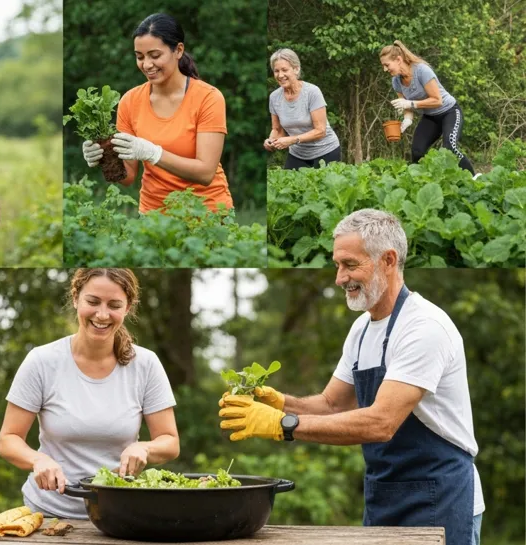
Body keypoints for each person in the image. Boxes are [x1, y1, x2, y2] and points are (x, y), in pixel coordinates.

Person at [218, 209, 484, 545]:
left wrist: (282, 424)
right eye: (337, 265)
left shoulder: (424, 327)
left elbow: (381, 423)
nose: (339, 278)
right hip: (384, 497)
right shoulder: (361, 329)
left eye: (350, 264)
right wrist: (280, 402)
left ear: (388, 260)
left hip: (441, 498)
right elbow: (331, 404)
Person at [0, 268, 180, 519]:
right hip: (47, 513)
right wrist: (37, 460)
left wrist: (145, 448)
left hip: (117, 515)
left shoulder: (146, 364)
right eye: (92, 302)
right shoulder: (42, 361)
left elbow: (170, 441)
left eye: (114, 305)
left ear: (127, 308)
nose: (102, 314)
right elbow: (8, 439)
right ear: (75, 298)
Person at [80, 13, 233, 214]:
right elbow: (128, 176)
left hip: (207, 213)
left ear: (178, 50)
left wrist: (153, 153)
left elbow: (205, 173)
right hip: (154, 216)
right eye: (139, 56)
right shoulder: (130, 101)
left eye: (155, 55)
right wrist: (104, 158)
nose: (146, 65)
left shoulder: (208, 98)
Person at [380, 40, 476, 175]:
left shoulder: (421, 71)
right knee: (417, 151)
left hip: (449, 112)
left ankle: (474, 178)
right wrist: (407, 119)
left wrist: (411, 104)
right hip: (430, 117)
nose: (385, 69)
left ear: (398, 60)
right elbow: (405, 105)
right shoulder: (396, 81)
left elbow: (437, 100)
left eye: (386, 65)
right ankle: (420, 182)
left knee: (450, 147)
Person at [265, 49, 341, 169]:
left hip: (326, 151)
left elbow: (320, 131)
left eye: (284, 70)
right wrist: (271, 141)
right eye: (276, 71)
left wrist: (292, 140)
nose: (280, 75)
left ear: (296, 69)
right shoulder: (274, 97)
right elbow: (277, 129)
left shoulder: (312, 92)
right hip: (297, 154)